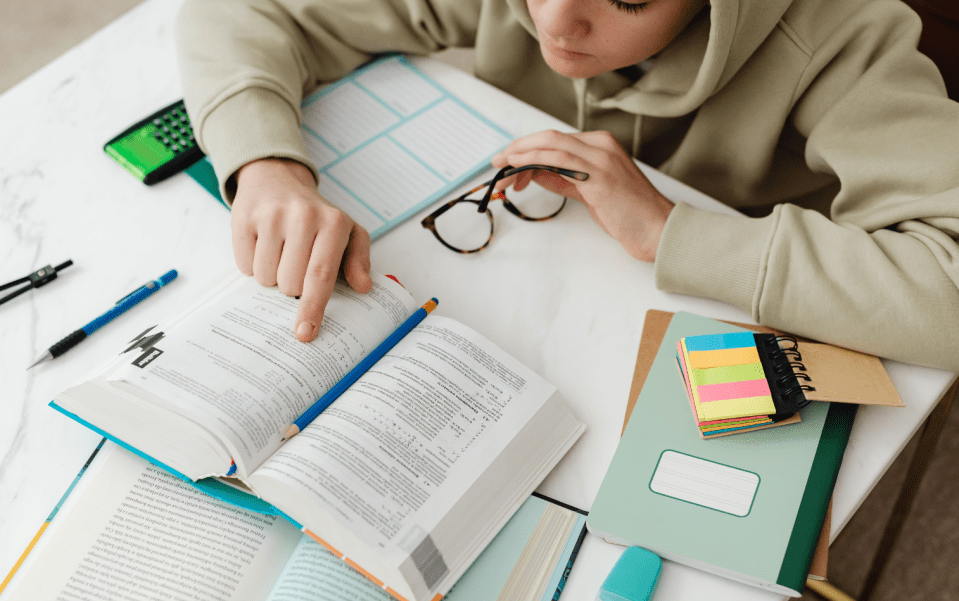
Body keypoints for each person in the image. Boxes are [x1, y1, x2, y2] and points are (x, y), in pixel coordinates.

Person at [175, 0, 959, 372]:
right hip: (528, 310)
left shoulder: (844, 33)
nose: (553, 22)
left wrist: (669, 229)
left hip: (733, 336)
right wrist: (264, 164)